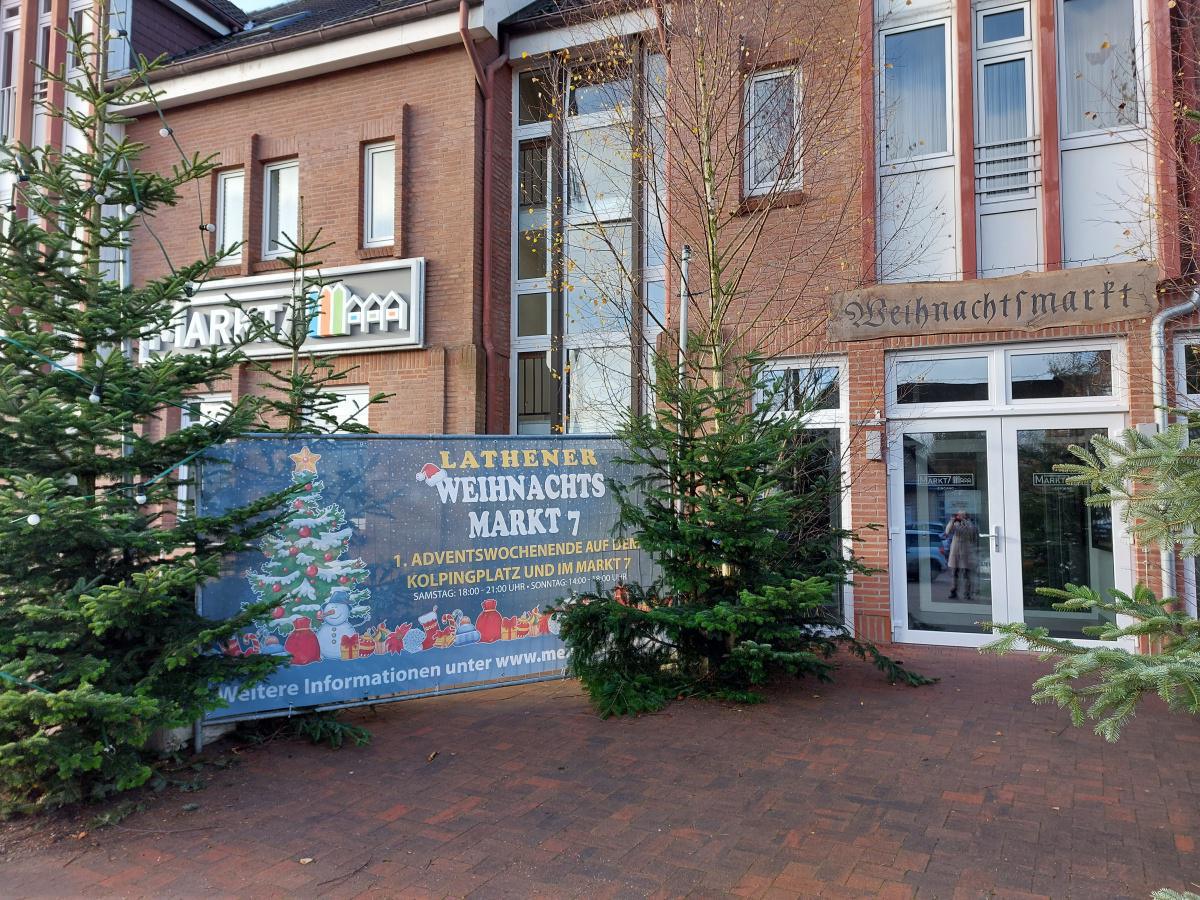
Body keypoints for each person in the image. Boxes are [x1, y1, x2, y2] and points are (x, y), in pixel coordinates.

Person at [943, 509, 979, 601]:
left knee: (967, 574)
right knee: (954, 573)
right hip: (955, 552)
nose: (960, 517)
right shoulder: (954, 524)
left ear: (966, 516)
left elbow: (972, 532)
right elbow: (947, 531)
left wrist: (965, 521)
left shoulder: (970, 524)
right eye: (959, 515)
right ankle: (953, 592)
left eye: (962, 515)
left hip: (966, 552)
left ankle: (967, 593)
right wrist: (952, 521)